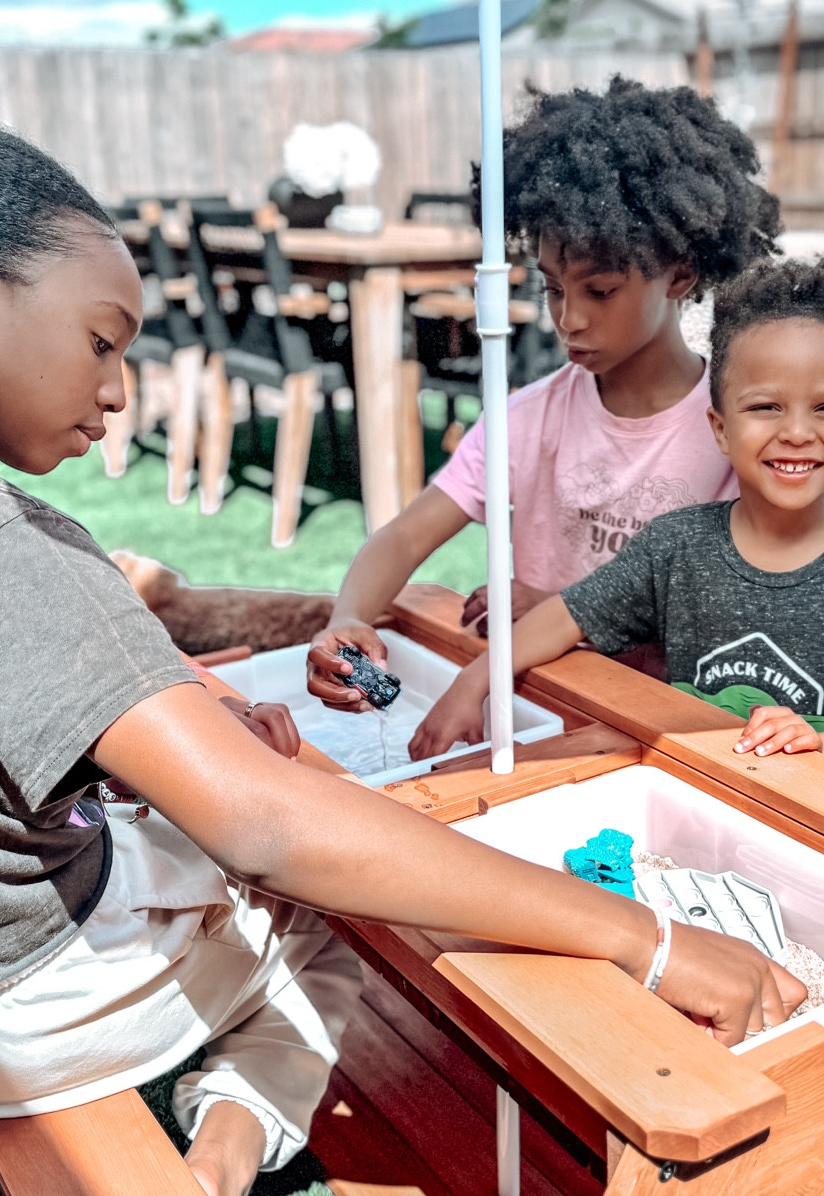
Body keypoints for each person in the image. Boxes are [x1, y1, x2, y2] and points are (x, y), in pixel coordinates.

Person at [0, 60, 797, 1196]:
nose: (114, 395)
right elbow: (269, 825)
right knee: (338, 903)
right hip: (8, 1013)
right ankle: (226, 1154)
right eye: (102, 342)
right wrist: (641, 935)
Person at [306, 78, 780, 721]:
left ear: (681, 274)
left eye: (600, 291)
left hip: (670, 732)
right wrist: (349, 617)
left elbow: (737, 624)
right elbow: (402, 538)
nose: (569, 318)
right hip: (542, 711)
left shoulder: (735, 434)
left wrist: (563, 611)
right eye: (554, 288)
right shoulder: (527, 419)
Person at [408, 255, 824, 781]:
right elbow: (568, 613)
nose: (797, 431)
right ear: (720, 427)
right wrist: (475, 681)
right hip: (700, 795)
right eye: (766, 407)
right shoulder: (677, 546)